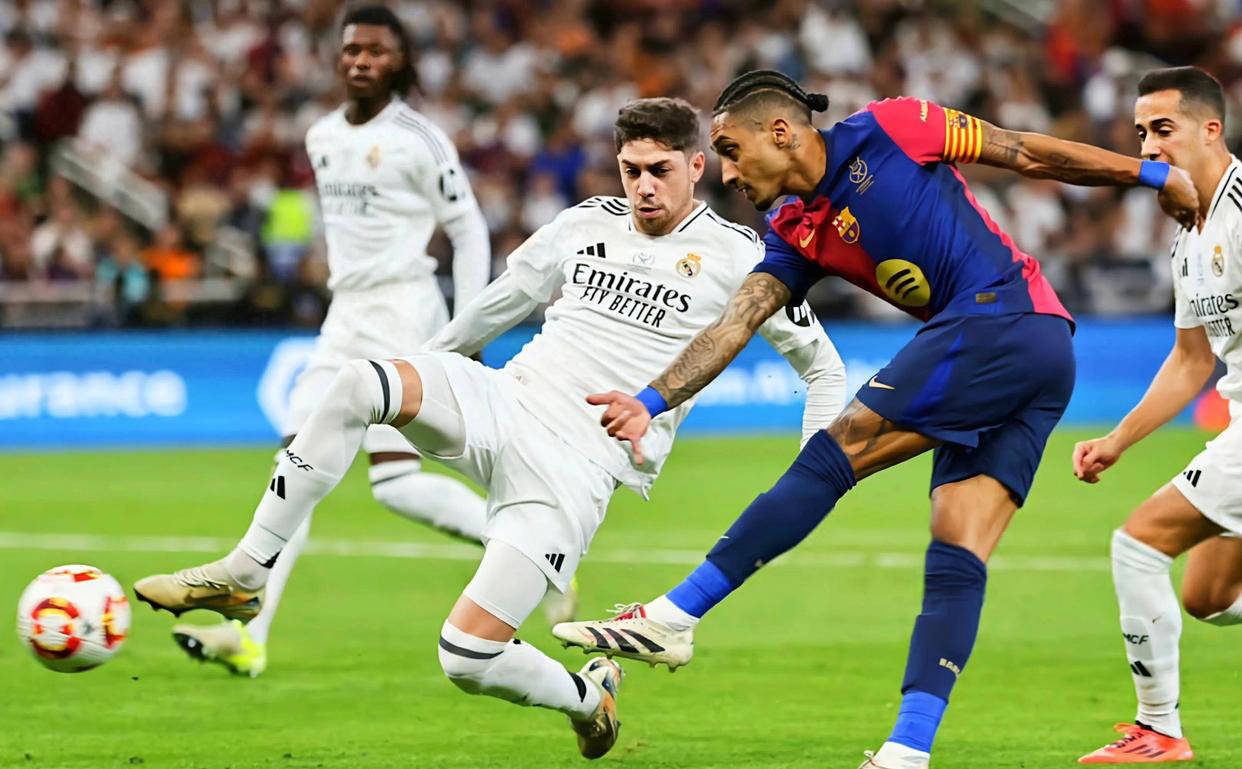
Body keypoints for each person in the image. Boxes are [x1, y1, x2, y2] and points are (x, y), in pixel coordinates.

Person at [132, 96, 847, 758]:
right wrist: (431, 362)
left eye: (659, 170)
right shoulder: (585, 222)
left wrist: (808, 476)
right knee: (360, 382)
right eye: (631, 170)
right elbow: (504, 300)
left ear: (696, 167)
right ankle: (247, 572)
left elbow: (822, 367)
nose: (643, 187)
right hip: (508, 399)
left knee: (466, 657)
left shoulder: (738, 255)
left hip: (577, 469)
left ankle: (587, 698)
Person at [551, 70, 1201, 769]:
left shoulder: (894, 127)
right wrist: (650, 401)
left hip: (1001, 320)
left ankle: (676, 614)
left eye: (732, 152)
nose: (728, 173)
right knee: (955, 555)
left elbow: (1022, 151)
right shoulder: (794, 232)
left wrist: (1152, 173)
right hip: (1040, 354)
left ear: (781, 132)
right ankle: (906, 751)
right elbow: (735, 323)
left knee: (832, 456)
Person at [168, 5, 492, 678]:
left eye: (377, 50)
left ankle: (528, 546)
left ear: (399, 62)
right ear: (337, 58)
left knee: (399, 484)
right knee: (296, 466)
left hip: (406, 313)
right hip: (345, 317)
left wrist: (471, 325)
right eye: (351, 49)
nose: (361, 60)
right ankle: (249, 635)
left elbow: (468, 230)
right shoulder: (320, 136)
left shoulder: (420, 139)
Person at [1073, 66, 1242, 765]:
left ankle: (1159, 729)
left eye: (1163, 129)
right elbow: (1191, 359)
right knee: (1209, 596)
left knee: (1137, 545)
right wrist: (1118, 439)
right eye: (1142, 132)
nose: (1148, 147)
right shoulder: (1188, 237)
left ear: (1211, 129)